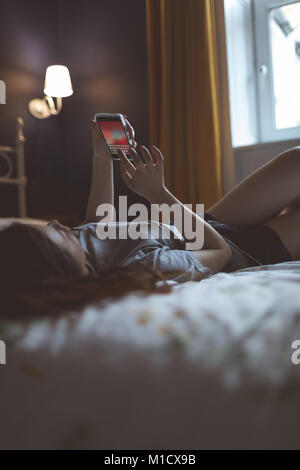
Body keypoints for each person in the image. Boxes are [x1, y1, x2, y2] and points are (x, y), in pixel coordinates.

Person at [1, 117, 300, 317]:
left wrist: (102, 157)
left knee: (295, 160)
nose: (55, 224)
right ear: (65, 270)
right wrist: (158, 194)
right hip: (233, 253)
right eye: (54, 235)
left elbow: (98, 227)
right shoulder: (142, 269)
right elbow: (219, 251)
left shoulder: (78, 246)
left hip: (203, 224)